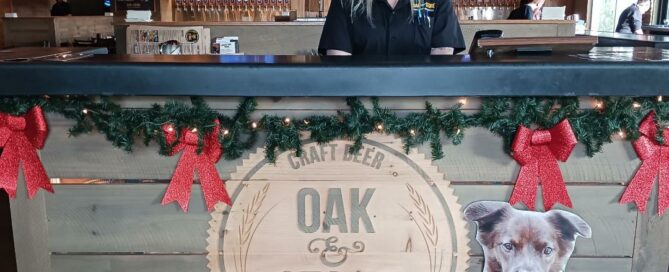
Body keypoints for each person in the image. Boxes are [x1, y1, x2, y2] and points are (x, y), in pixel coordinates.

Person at [318, 0, 465, 56]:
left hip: (421, 104)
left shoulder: (436, 2)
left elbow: (442, 51)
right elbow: (338, 59)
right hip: (361, 104)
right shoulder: (346, 3)